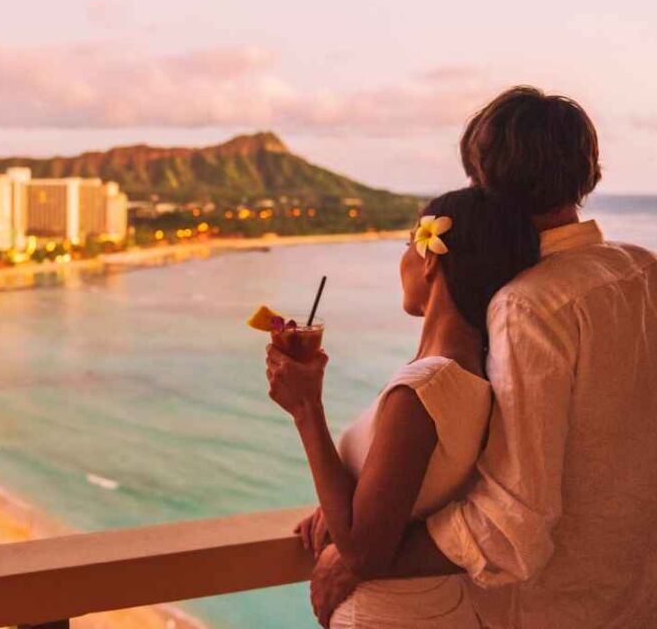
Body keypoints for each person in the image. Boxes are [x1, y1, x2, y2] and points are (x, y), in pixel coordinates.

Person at [301, 86, 657, 628]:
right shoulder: (643, 271)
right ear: (588, 174)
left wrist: (362, 557)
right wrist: (368, 503)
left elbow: (514, 522)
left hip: (550, 610)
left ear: (482, 181)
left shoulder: (528, 306)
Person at [266, 187, 539, 627]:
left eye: (406, 244)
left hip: (393, 615)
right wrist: (341, 502)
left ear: (431, 258)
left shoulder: (422, 389)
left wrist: (306, 409)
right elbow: (407, 496)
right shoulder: (474, 372)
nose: (403, 259)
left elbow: (363, 552)